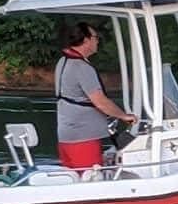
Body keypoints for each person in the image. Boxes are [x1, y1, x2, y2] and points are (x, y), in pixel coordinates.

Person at [54, 21, 136, 169]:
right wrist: (124, 116)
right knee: (90, 178)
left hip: (66, 135)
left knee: (76, 178)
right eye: (95, 37)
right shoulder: (81, 67)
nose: (98, 40)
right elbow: (100, 102)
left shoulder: (63, 61)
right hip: (82, 137)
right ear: (86, 40)